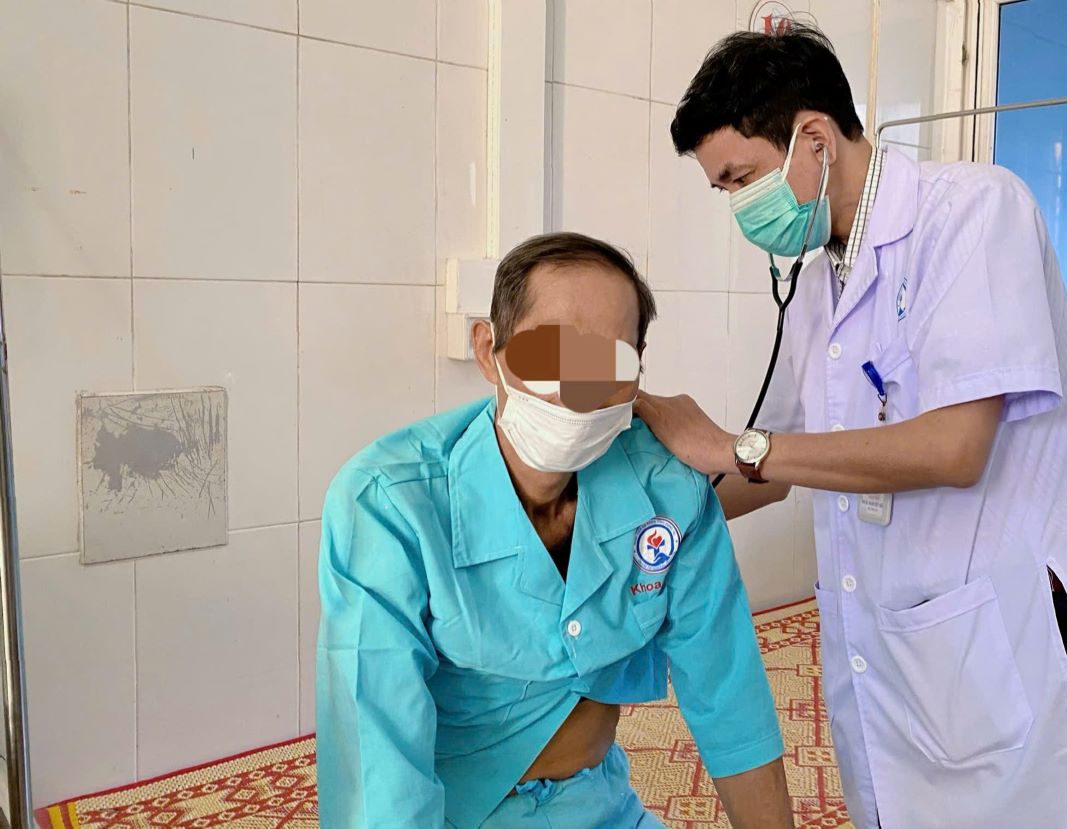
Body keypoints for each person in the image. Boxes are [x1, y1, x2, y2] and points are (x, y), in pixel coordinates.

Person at [635, 26, 1067, 829]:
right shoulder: (821, 284)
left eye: (740, 179)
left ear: (813, 138)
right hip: (904, 668)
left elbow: (954, 447)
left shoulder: (973, 212)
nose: (737, 206)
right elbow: (785, 464)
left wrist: (733, 444)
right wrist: (641, 513)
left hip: (1013, 657)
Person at [316, 232, 794, 829]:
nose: (580, 389)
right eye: (554, 354)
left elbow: (729, 697)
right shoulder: (389, 503)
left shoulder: (669, 489)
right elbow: (376, 759)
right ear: (490, 351)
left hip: (602, 804)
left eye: (609, 363)